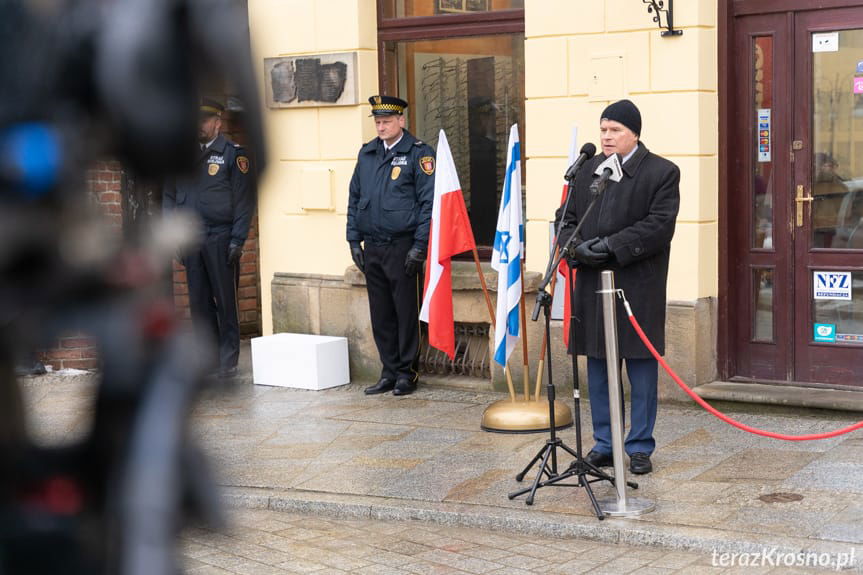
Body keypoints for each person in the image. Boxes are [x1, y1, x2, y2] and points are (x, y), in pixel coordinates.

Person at [556, 99, 680, 474]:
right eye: (603, 130)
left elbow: (658, 225)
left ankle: (639, 445)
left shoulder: (661, 172)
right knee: (598, 367)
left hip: (636, 286)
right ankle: (605, 442)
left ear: (634, 134)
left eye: (615, 131)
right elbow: (566, 218)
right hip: (593, 284)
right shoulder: (587, 170)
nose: (607, 137)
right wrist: (575, 247)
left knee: (640, 369)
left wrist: (611, 246)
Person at [346, 95, 435, 396]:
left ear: (401, 121)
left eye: (386, 121)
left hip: (402, 246)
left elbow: (428, 204)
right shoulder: (367, 153)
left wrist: (419, 247)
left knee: (405, 312)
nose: (381, 126)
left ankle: (406, 373)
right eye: (377, 121)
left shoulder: (418, 154)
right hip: (373, 246)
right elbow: (355, 198)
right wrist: (352, 239)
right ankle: (388, 370)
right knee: (381, 313)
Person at [163, 98, 255, 379]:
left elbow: (243, 202)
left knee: (225, 301)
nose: (198, 126)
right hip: (191, 238)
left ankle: (228, 359)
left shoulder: (232, 155)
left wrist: (237, 240)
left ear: (217, 122)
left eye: (204, 121)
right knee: (199, 301)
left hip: (220, 236)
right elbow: (168, 196)